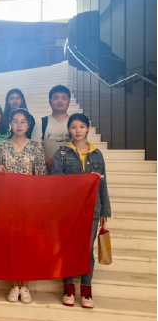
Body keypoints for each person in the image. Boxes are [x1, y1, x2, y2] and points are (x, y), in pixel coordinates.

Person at [52, 113, 111, 310]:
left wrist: (105, 211)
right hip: (68, 209)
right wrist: (84, 179)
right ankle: (68, 288)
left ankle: (86, 289)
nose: (77, 130)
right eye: (74, 127)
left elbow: (102, 184)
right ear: (69, 129)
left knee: (87, 250)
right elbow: (56, 180)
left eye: (82, 126)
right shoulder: (62, 153)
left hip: (92, 208)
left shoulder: (97, 154)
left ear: (87, 129)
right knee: (68, 248)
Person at [0, 109, 47, 304]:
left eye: (23, 121)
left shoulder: (36, 147)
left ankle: (25, 285)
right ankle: (14, 285)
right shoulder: (1, 145)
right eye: (15, 121)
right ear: (10, 123)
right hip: (6, 202)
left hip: (29, 203)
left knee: (27, 244)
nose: (19, 125)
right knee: (11, 243)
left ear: (28, 124)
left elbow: (42, 177)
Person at [32, 85, 72, 172]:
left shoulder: (75, 123)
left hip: (71, 172)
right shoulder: (41, 123)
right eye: (56, 98)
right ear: (50, 102)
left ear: (69, 101)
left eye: (64, 98)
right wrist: (53, 164)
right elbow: (35, 149)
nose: (60, 101)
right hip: (47, 172)